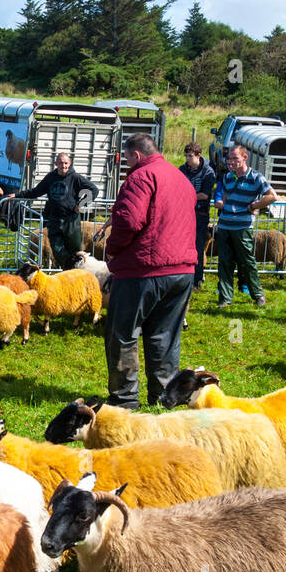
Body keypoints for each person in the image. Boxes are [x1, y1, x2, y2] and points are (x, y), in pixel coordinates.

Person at [103, 133, 197, 408]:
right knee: (165, 336)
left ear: (137, 156)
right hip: (182, 270)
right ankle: (163, 396)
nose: (126, 165)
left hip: (144, 270)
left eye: (128, 158)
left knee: (123, 333)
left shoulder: (140, 177)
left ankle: (124, 398)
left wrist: (113, 248)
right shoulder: (181, 179)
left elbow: (129, 220)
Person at [2, 152, 98, 269]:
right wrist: (17, 195)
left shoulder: (75, 178)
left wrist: (81, 204)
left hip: (71, 221)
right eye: (61, 163)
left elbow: (94, 189)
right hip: (54, 219)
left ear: (70, 163)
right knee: (57, 251)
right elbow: (36, 191)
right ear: (56, 163)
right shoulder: (50, 177)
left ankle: (73, 275)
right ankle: (69, 267)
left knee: (75, 252)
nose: (63, 166)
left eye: (66, 163)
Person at [211, 144, 273, 308]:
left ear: (244, 158)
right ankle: (225, 299)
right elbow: (224, 197)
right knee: (224, 262)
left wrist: (254, 206)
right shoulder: (228, 177)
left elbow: (272, 196)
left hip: (242, 227)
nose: (231, 162)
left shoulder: (256, 177)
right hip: (225, 225)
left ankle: (258, 295)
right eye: (229, 159)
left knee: (247, 261)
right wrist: (221, 204)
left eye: (235, 158)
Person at [179, 142, 216, 290]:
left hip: (200, 214)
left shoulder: (208, 172)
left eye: (190, 156)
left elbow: (204, 195)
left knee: (198, 247)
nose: (187, 159)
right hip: (183, 214)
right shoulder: (182, 169)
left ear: (198, 155)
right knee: (182, 245)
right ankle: (182, 277)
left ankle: (197, 279)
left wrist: (185, 196)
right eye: (186, 155)